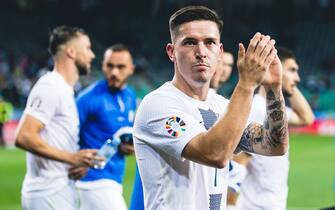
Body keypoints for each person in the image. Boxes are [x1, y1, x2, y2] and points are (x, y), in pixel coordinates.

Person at [133, 5, 289, 210]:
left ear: (219, 52)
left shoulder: (223, 106)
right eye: (189, 42)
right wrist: (247, 85)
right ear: (171, 52)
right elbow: (215, 155)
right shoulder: (158, 105)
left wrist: (273, 87)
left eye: (210, 42)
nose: (201, 52)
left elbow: (274, 145)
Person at [14, 25, 97, 210]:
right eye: (87, 48)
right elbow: (24, 136)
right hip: (48, 193)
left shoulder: (64, 89)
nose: (92, 55)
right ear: (71, 52)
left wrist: (76, 163)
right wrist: (71, 158)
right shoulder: (51, 86)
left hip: (57, 190)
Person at [234, 47, 315, 210]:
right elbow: (238, 163)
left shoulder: (274, 109)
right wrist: (230, 205)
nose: (298, 78)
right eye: (292, 70)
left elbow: (307, 118)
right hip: (256, 205)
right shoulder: (255, 109)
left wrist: (286, 84)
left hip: (272, 203)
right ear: (273, 67)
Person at [75, 44, 136, 210]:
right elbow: (67, 133)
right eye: (110, 66)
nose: (114, 72)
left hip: (115, 177)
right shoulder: (88, 98)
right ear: (103, 65)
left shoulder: (130, 96)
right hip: (94, 181)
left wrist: (128, 147)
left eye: (120, 67)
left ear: (131, 69)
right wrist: (73, 160)